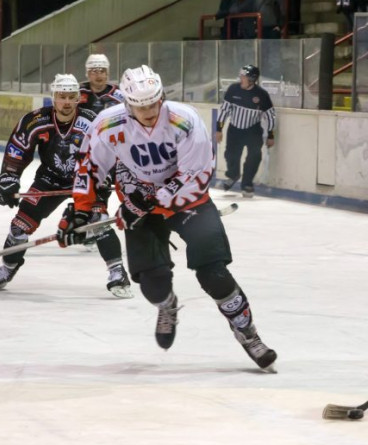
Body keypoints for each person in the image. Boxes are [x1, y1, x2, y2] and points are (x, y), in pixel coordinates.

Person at [59, 65, 277, 369]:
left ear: (162, 97)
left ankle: (248, 334)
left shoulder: (183, 119)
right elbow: (89, 167)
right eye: (140, 105)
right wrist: (82, 211)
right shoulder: (108, 125)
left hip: (187, 202)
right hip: (138, 206)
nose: (149, 111)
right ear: (127, 103)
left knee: (213, 273)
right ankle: (168, 305)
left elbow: (198, 173)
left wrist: (150, 199)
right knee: (153, 283)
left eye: (153, 103)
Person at [0, 74, 131, 298]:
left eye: (72, 97)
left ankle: (117, 272)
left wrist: (106, 177)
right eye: (62, 97)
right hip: (50, 178)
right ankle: (7, 269)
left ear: (78, 98)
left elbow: (110, 152)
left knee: (98, 221)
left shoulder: (92, 121)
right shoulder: (35, 121)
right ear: (54, 97)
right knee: (19, 225)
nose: (67, 102)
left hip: (86, 180)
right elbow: (17, 149)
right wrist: (9, 179)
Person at [78, 54, 127, 256]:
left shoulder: (120, 95)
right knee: (94, 189)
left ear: (108, 72)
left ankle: (143, 220)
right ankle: (93, 225)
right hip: (90, 150)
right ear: (88, 73)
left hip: (118, 150)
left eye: (102, 71)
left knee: (128, 187)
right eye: (94, 71)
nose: (99, 75)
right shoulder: (77, 93)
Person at [215, 65, 276, 197]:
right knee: (230, 155)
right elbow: (224, 110)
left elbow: (270, 115)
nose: (240, 78)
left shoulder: (262, 95)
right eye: (241, 76)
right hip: (235, 129)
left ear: (252, 79)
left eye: (243, 77)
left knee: (254, 156)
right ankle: (233, 174)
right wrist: (219, 129)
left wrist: (271, 135)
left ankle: (247, 184)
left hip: (253, 130)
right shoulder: (233, 89)